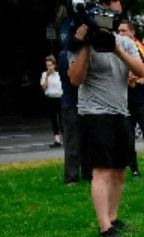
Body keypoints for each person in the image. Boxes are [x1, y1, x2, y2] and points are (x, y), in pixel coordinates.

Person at [66, 0, 144, 237]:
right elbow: (74, 79)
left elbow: (141, 71)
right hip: (94, 114)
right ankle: (104, 227)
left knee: (119, 170)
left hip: (121, 112)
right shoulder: (80, 43)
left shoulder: (125, 43)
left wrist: (116, 48)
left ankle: (113, 217)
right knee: (101, 170)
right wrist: (87, 46)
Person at [117, 19, 144, 179]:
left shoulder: (143, 49)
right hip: (124, 100)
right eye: (119, 31)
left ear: (132, 32)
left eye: (124, 31)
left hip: (141, 100)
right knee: (128, 138)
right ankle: (134, 170)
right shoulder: (117, 48)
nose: (121, 34)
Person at [56, 47, 85, 184]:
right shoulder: (65, 54)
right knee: (72, 142)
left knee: (88, 141)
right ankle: (71, 177)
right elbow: (70, 78)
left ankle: (88, 172)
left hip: (86, 103)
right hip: (72, 103)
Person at [40, 55, 64, 148]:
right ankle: (57, 140)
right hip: (50, 98)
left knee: (62, 120)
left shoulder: (59, 74)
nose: (49, 67)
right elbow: (44, 88)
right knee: (54, 120)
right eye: (47, 65)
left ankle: (66, 139)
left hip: (60, 98)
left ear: (54, 65)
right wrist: (47, 77)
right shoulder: (44, 74)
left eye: (50, 65)